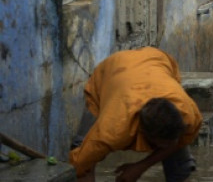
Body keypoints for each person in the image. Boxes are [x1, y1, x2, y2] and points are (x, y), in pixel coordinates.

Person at [69, 47, 203, 182]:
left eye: (171, 142)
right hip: (112, 71)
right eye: (162, 144)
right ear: (144, 134)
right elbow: (81, 165)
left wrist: (140, 167)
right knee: (84, 154)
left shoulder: (188, 114)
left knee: (182, 166)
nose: (168, 147)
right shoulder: (112, 129)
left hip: (155, 59)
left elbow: (177, 143)